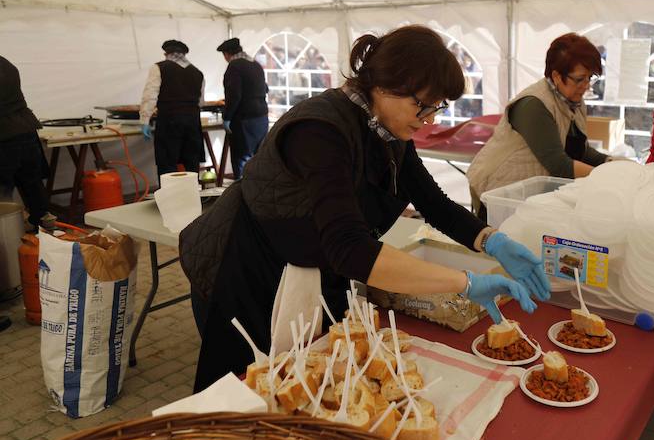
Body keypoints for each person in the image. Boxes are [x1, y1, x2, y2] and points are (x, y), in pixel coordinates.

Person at [179, 25, 550, 392]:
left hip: (308, 267)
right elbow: (350, 248)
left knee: (309, 385)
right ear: (385, 84)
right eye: (422, 105)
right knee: (243, 395)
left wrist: (492, 241)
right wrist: (463, 283)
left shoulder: (387, 131)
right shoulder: (319, 130)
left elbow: (433, 203)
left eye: (437, 107)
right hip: (246, 268)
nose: (430, 119)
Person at [467, 33, 607, 220]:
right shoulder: (534, 105)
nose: (586, 86)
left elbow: (580, 151)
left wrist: (613, 163)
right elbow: (559, 165)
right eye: (580, 79)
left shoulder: (574, 101)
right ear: (556, 76)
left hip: (531, 195)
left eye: (591, 78)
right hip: (500, 192)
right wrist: (608, 177)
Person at [140, 40, 205, 180]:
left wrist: (145, 119)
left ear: (166, 54)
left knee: (167, 163)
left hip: (170, 120)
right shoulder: (197, 72)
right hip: (193, 121)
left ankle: (169, 199)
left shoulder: (159, 68)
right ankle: (192, 196)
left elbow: (150, 95)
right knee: (191, 163)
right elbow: (201, 102)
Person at [0, 55, 49, 231]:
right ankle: (45, 234)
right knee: (33, 186)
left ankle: (8, 242)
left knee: (3, 195)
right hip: (26, 129)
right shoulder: (5, 63)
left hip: (4, 135)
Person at [217, 37, 269, 180]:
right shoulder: (256, 65)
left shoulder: (234, 66)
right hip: (262, 117)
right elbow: (265, 88)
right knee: (260, 159)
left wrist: (227, 117)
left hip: (244, 119)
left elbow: (234, 95)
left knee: (242, 160)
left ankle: (244, 193)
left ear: (227, 54)